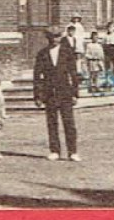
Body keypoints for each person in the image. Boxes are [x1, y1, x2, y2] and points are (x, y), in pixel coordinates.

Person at [33, 26, 81, 160]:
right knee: (52, 122)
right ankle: (55, 150)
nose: (55, 39)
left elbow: (74, 74)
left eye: (58, 36)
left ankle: (72, 151)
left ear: (61, 37)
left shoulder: (68, 52)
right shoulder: (42, 54)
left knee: (69, 123)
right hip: (50, 93)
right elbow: (37, 76)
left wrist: (75, 93)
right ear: (48, 38)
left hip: (65, 92)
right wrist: (37, 95)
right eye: (52, 36)